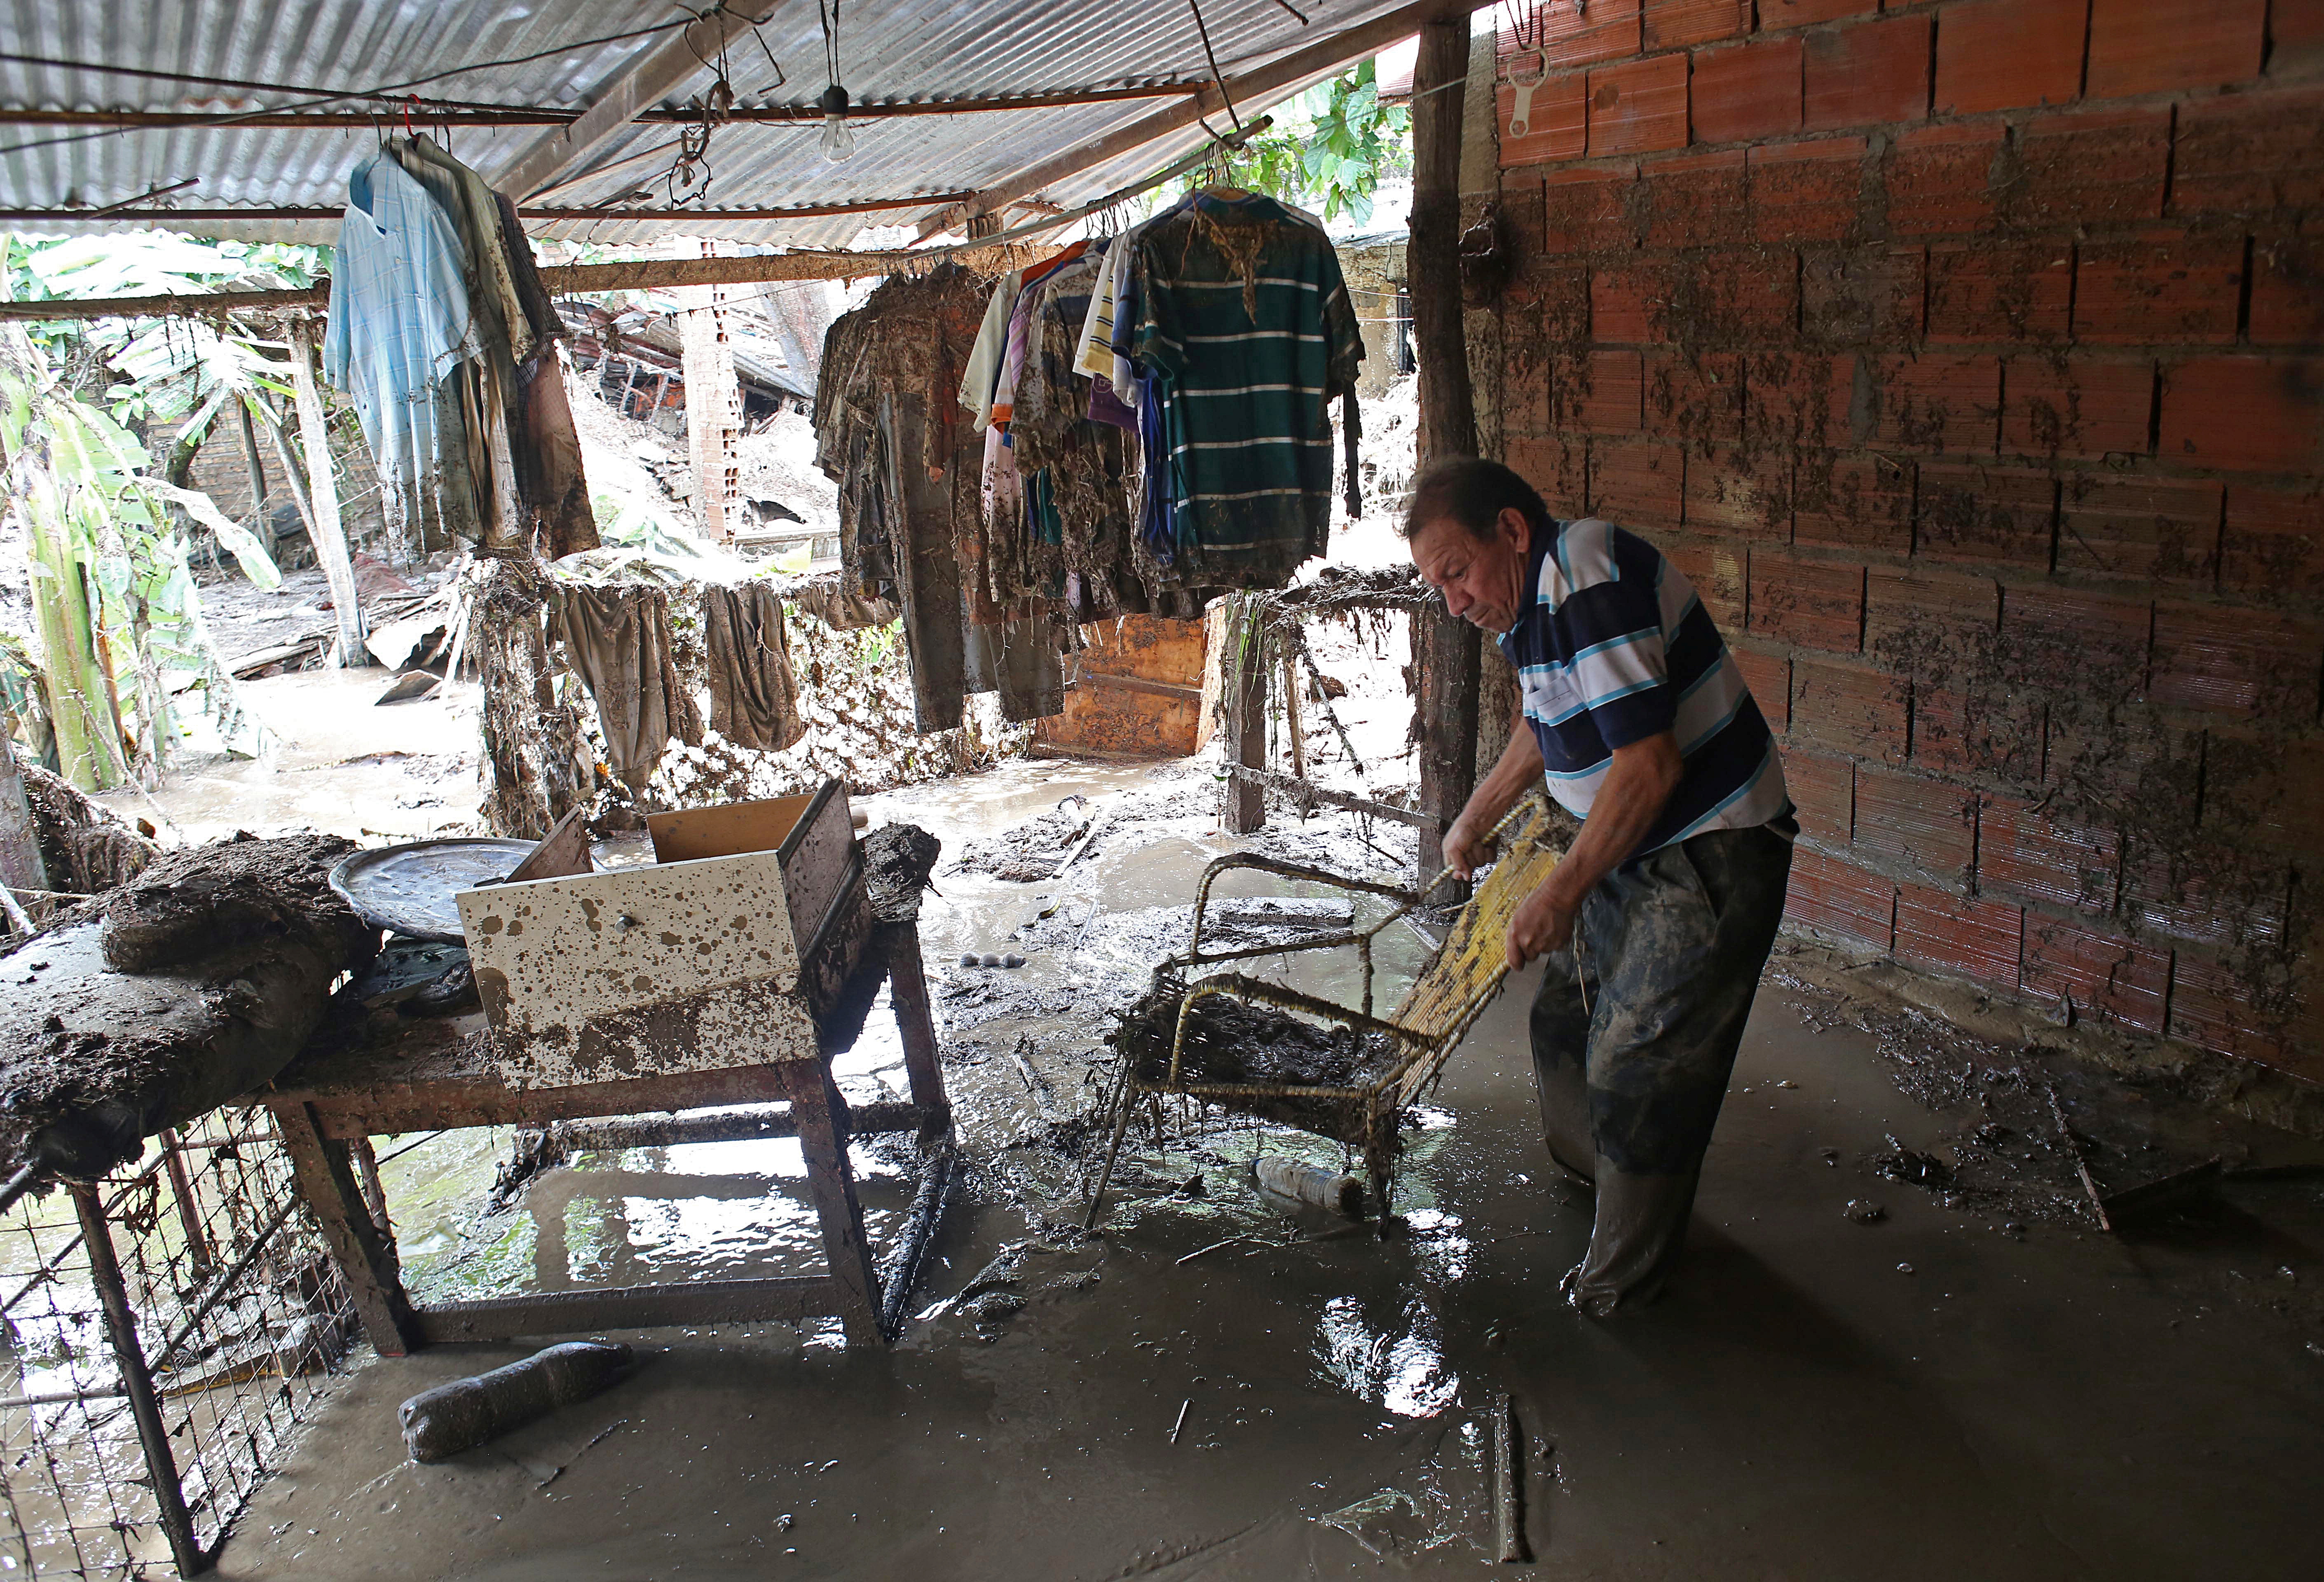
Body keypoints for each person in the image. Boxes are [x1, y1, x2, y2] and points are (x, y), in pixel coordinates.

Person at [1403, 458, 1795, 1315]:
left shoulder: (1585, 571)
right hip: (1630, 844)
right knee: (1564, 1021)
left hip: (1710, 847)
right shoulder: (1531, 602)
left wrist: (1562, 889)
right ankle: (1607, 1188)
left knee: (1638, 1067)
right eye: (1439, 586)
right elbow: (1544, 724)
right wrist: (1475, 814)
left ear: (1510, 530)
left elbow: (1649, 764)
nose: (1454, 603)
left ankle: (1622, 1286)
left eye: (1457, 573)